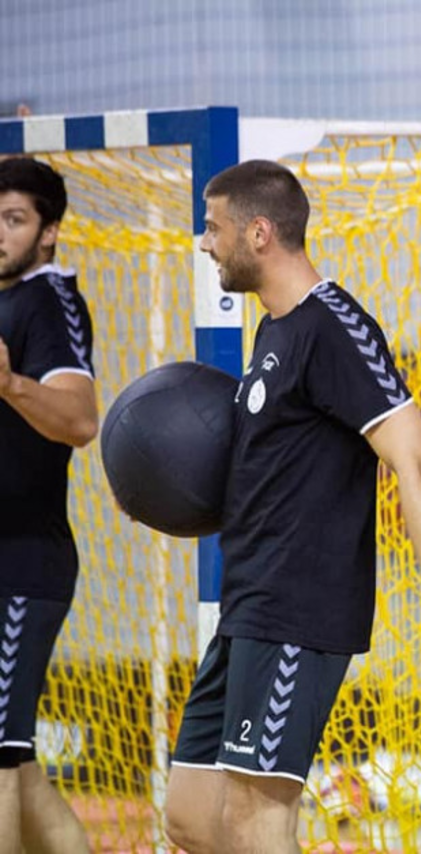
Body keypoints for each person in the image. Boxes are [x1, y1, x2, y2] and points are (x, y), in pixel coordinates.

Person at [162, 160, 421, 854]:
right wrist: (166, 494)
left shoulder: (333, 327)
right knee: (190, 815)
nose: (205, 242)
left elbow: (416, 463)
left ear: (260, 233)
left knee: (257, 817)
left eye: (213, 228)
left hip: (297, 612)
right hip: (248, 607)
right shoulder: (273, 331)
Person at [0, 157, 97, 854]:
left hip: (23, 565)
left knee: (1, 760)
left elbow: (81, 419)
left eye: (13, 220)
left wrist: (10, 386)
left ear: (50, 231)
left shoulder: (49, 300)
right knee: (17, 760)